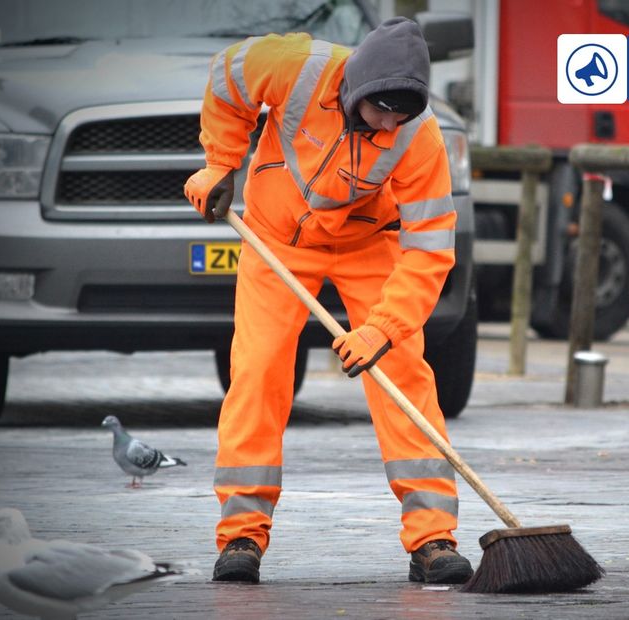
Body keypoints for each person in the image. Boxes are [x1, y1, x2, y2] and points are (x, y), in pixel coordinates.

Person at [184, 17, 471, 585]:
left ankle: (432, 537)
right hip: (276, 239)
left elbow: (431, 250)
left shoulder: (421, 136)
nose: (390, 124)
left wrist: (382, 328)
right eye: (381, 111)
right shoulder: (293, 65)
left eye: (401, 114)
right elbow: (226, 78)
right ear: (356, 88)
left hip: (370, 243)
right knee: (259, 370)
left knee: (403, 371)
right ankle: (241, 535)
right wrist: (222, 161)